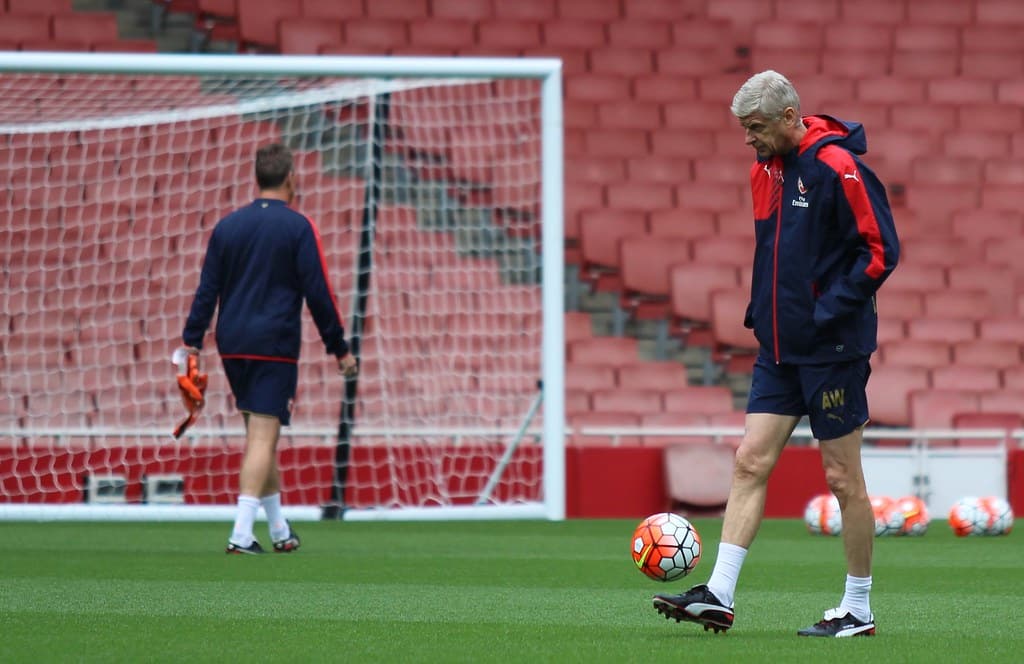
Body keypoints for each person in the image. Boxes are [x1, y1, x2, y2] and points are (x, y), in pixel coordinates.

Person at [652, 70, 899, 637]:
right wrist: (764, 316)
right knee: (749, 461)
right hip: (779, 350)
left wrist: (824, 313)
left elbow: (883, 250)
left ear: (790, 118)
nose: (748, 138)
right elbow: (774, 256)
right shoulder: (764, 169)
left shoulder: (839, 167)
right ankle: (718, 593)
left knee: (843, 479)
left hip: (832, 350)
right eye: (744, 128)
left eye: (755, 127)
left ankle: (858, 609)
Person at [180, 142, 358, 555]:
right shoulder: (299, 228)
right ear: (291, 178)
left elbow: (208, 289)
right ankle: (241, 533)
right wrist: (340, 349)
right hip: (273, 343)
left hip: (232, 342)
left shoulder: (227, 227)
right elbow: (319, 293)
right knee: (262, 437)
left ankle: (279, 530)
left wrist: (192, 340)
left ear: (256, 179)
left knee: (262, 433)